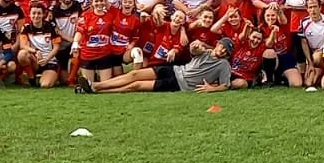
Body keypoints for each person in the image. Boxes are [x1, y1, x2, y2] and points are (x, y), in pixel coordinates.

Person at [78, 37, 234, 94]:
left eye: (226, 52)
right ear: (218, 44)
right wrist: (195, 47)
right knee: (134, 74)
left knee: (136, 86)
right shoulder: (206, 52)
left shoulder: (224, 65)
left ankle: (97, 89)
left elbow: (225, 85)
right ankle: (96, 85)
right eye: (223, 47)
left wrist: (211, 89)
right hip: (173, 69)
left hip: (180, 84)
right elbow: (194, 50)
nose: (223, 51)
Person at [16, 2, 65, 88]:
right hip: (36, 60)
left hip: (49, 60)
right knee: (22, 54)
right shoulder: (26, 27)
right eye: (33, 13)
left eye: (39, 13)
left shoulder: (51, 27)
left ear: (43, 15)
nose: (36, 16)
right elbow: (23, 45)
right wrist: (35, 51)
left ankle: (46, 77)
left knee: (45, 85)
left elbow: (56, 47)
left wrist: (47, 59)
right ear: (30, 15)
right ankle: (31, 78)